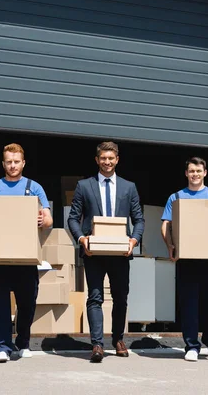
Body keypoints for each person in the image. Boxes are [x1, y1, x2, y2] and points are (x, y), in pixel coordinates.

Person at [68, 141, 145, 363]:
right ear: (97, 160)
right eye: (103, 158)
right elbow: (73, 218)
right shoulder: (84, 186)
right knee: (95, 298)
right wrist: (82, 240)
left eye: (111, 158)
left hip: (121, 253)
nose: (107, 162)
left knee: (121, 298)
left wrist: (134, 240)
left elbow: (138, 219)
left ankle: (118, 339)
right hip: (94, 253)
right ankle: (97, 344)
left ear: (117, 159)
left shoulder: (128, 187)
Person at [0, 143, 53, 363]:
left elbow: (48, 219)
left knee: (27, 302)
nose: (12, 165)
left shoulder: (35, 188)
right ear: (3, 163)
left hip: (26, 258)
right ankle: (2, 347)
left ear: (23, 163)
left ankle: (22, 342)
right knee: (0, 304)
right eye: (9, 162)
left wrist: (43, 219)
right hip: (0, 258)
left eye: (16, 162)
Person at [160, 156, 208, 362]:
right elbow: (166, 225)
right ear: (186, 173)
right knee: (189, 303)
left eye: (198, 171)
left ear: (205, 173)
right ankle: (191, 346)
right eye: (191, 171)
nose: (195, 174)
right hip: (187, 260)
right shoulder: (176, 197)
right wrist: (170, 247)